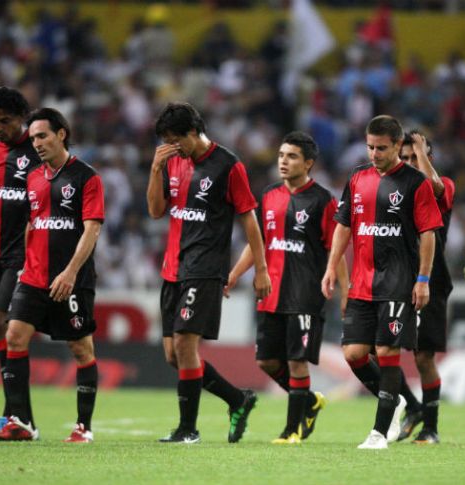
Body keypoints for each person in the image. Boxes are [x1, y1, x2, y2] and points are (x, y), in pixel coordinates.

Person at [146, 102, 271, 444]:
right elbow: (157, 211)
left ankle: (188, 429)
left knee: (186, 344)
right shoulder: (171, 161)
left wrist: (260, 270)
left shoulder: (228, 165)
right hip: (173, 267)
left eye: (176, 139)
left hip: (205, 267)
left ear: (193, 132)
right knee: (174, 356)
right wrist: (155, 169)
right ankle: (237, 399)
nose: (172, 146)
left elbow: (249, 218)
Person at [322, 115, 443, 449]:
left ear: (397, 144)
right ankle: (398, 401)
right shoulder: (357, 178)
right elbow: (344, 225)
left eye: (382, 148)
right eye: (370, 147)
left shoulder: (415, 183)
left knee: (387, 350)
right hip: (362, 281)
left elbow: (429, 233)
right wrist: (332, 266)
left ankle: (379, 431)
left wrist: (423, 279)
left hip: (398, 282)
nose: (374, 153)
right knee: (354, 353)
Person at [226, 131, 349, 444]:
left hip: (304, 293)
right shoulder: (268, 195)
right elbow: (259, 243)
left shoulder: (323, 200)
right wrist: (235, 273)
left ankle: (292, 430)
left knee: (296, 361)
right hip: (271, 292)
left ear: (308, 163)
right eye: (281, 155)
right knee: (266, 361)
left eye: (292, 156)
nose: (283, 161)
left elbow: (336, 247)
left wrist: (345, 289)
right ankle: (309, 402)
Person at [0, 107, 105, 443]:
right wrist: (27, 264)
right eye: (32, 138)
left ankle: (83, 427)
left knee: (81, 348)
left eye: (42, 136)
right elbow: (34, 222)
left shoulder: (87, 177)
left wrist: (71, 272)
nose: (37, 143)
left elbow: (92, 229)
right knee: (13, 336)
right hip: (34, 277)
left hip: (71, 281)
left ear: (61, 134)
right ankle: (20, 421)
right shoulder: (33, 178)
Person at [0, 86, 42, 439]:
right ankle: (18, 414)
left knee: (3, 322)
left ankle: (15, 414)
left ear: (22, 119)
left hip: (23, 254)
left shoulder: (37, 152)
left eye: (5, 121)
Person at [395, 131, 455, 445]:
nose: (407, 163)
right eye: (403, 157)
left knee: (423, 358)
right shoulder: (392, 188)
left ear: (428, 158)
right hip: (394, 277)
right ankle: (412, 405)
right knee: (376, 349)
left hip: (431, 280)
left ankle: (430, 428)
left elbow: (434, 187)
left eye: (414, 157)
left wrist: (420, 151)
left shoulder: (441, 185)